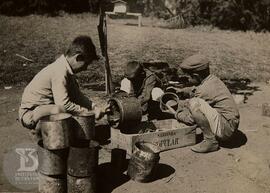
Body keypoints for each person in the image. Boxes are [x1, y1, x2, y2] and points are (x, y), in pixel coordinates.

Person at [19, 35, 107, 131]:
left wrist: (94, 107)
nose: (86, 68)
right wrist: (89, 112)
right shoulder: (60, 71)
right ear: (78, 58)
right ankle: (39, 131)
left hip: (44, 109)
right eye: (86, 63)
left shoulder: (67, 70)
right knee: (61, 110)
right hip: (30, 114)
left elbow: (77, 96)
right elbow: (63, 104)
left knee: (67, 113)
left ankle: (48, 130)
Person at [169, 54, 240, 153]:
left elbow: (191, 120)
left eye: (188, 77)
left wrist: (176, 113)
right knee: (192, 102)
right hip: (229, 122)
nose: (187, 80)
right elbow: (197, 89)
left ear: (196, 76)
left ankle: (210, 141)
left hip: (226, 130)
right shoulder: (212, 80)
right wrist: (182, 91)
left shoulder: (204, 90)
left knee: (194, 103)